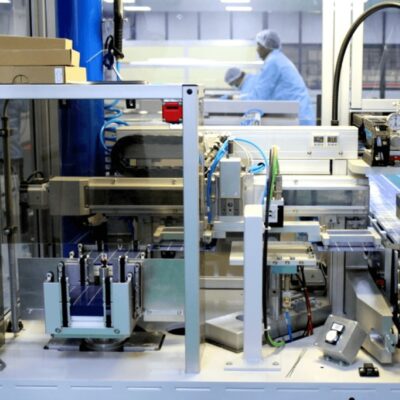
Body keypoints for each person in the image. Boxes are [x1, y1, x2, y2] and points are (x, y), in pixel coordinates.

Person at [243, 29, 315, 126]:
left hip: (297, 117)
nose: (257, 49)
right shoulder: (278, 59)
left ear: (266, 47)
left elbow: (260, 94)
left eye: (259, 45)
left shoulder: (273, 62)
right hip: (301, 114)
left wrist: (240, 104)